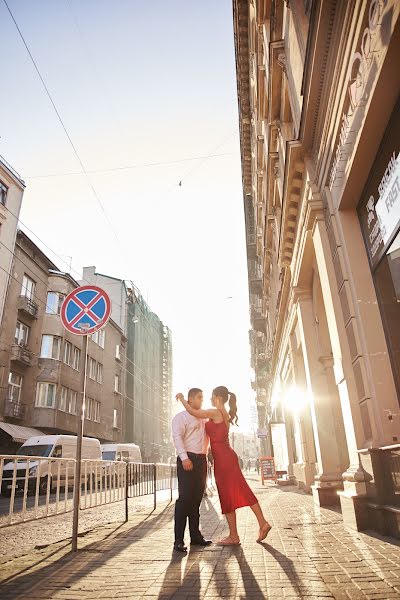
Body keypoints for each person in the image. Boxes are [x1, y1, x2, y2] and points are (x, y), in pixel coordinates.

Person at [176, 386, 272, 545]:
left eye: (212, 396)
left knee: (227, 495)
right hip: (227, 457)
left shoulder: (215, 412)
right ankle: (253, 527)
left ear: (217, 398)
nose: (209, 399)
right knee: (238, 491)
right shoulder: (224, 413)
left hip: (223, 460)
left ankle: (238, 534)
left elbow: (194, 412)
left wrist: (181, 398)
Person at [171, 387, 212, 553]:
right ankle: (178, 540)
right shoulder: (180, 417)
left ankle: (195, 536)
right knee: (184, 500)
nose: (201, 400)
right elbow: (177, 437)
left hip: (201, 460)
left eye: (202, 397)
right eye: (199, 397)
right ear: (190, 399)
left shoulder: (203, 417)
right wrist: (184, 457)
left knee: (196, 500)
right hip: (187, 459)